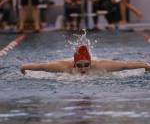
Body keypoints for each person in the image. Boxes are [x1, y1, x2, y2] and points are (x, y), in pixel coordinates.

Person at [20, 45, 150, 75]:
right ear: (74, 63)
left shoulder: (101, 65)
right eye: (79, 65)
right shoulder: (64, 67)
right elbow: (41, 66)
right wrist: (23, 68)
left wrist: (146, 65)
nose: (83, 69)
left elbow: (125, 65)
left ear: (91, 62)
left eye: (86, 65)